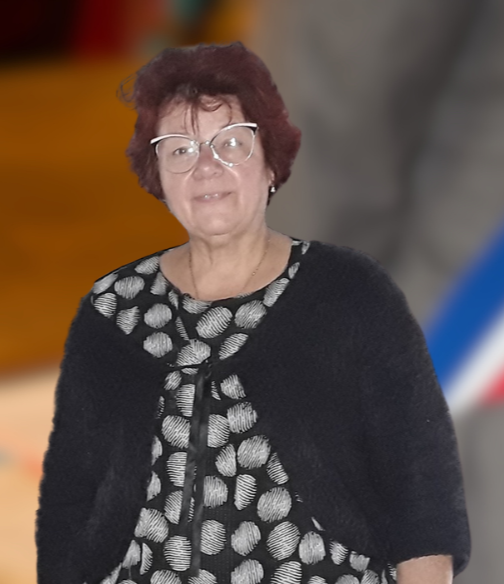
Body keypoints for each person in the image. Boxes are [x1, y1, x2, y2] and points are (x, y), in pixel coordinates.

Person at [35, 42, 470, 584]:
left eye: (232, 143)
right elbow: (69, 503)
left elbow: (422, 487)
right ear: (158, 173)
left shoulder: (349, 294)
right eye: (180, 149)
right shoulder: (112, 310)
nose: (206, 167)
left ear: (269, 162)